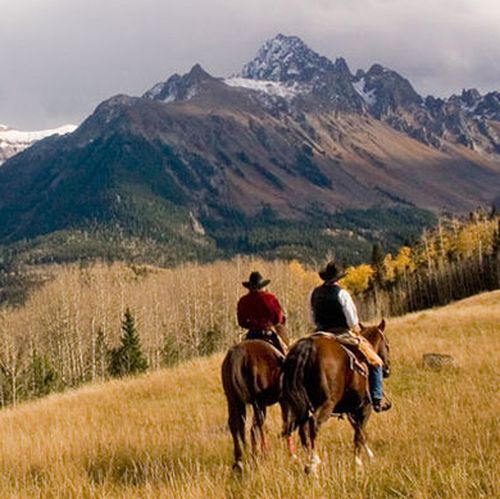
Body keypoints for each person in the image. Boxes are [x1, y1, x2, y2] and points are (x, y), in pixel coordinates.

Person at [310, 261, 391, 412]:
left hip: (319, 333)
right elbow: (352, 321)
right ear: (338, 278)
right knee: (376, 361)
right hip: (341, 333)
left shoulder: (314, 293)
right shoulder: (342, 293)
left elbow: (312, 317)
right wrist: (356, 331)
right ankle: (377, 398)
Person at [237, 271, 288, 355]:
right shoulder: (270, 298)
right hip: (268, 333)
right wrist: (269, 324)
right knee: (284, 358)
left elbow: (241, 322)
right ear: (263, 286)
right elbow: (278, 318)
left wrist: (252, 325)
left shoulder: (243, 300)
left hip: (251, 335)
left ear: (249, 287)